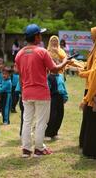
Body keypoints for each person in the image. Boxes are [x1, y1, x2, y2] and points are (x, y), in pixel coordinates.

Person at [15, 24, 70, 158]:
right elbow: (54, 69)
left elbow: (21, 76)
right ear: (36, 36)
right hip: (41, 93)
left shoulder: (19, 53)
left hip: (26, 93)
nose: (41, 36)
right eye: (40, 34)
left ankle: (26, 150)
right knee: (41, 122)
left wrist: (23, 92)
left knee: (27, 121)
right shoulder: (42, 52)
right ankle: (39, 149)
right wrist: (65, 61)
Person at [45, 59, 68, 140]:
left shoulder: (61, 76)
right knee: (52, 116)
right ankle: (47, 133)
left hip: (60, 98)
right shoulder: (49, 77)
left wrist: (65, 96)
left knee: (60, 115)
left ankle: (55, 132)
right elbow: (47, 89)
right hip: (53, 98)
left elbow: (63, 86)